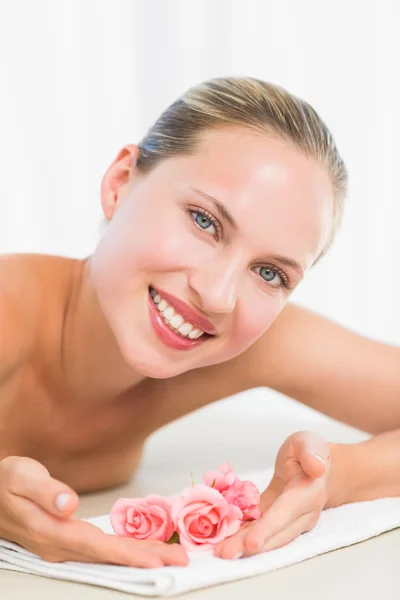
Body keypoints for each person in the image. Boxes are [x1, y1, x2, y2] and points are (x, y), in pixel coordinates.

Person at [0, 77, 399, 569]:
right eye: (204, 220)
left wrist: (340, 476)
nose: (217, 294)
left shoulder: (258, 340)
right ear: (120, 182)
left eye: (269, 273)